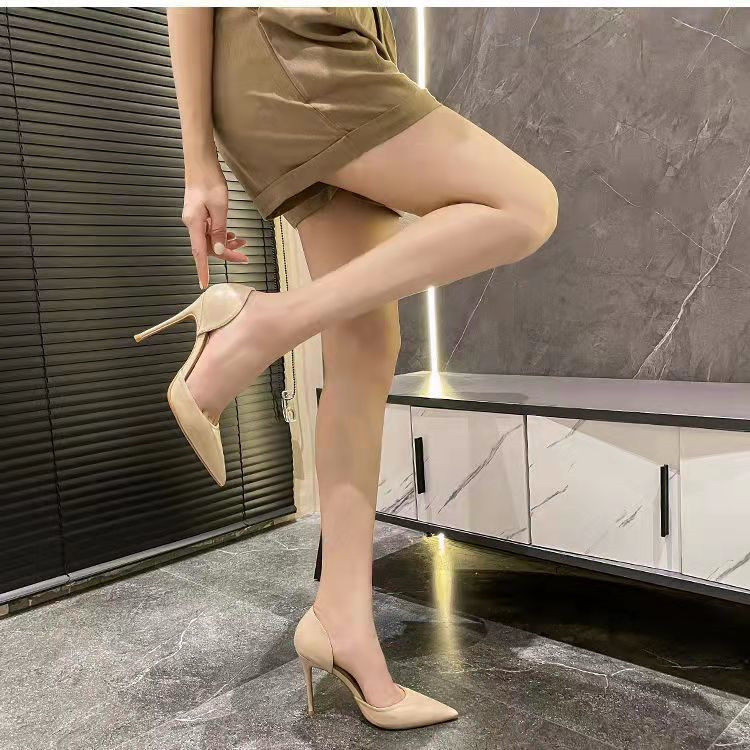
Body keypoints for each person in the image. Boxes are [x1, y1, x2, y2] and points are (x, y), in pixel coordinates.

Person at [138, 7, 557, 730]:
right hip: (297, 44)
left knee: (365, 347)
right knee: (524, 203)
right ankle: (261, 325)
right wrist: (196, 161)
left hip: (342, 46)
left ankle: (342, 621)